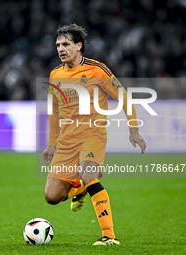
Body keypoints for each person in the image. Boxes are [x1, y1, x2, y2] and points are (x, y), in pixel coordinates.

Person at [42, 24, 146, 245]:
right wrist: (51, 144)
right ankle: (79, 189)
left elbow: (123, 96)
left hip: (92, 135)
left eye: (66, 44)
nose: (60, 49)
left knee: (89, 174)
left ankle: (109, 236)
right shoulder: (55, 74)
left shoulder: (96, 69)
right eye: (58, 45)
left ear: (79, 46)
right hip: (66, 141)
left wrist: (134, 129)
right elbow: (54, 112)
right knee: (52, 197)